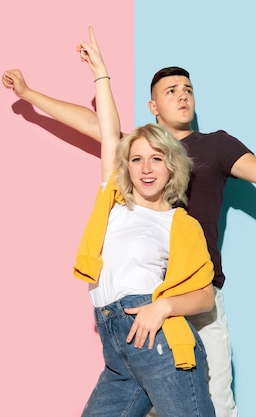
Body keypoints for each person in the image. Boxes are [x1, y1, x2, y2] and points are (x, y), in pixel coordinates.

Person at [2, 29, 256, 417]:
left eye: (188, 88)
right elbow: (97, 125)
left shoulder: (215, 145)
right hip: (143, 297)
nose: (183, 94)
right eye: (171, 90)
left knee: (213, 404)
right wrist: (30, 94)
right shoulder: (142, 151)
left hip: (197, 294)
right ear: (153, 106)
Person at [68, 27, 216, 417]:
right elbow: (108, 134)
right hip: (115, 346)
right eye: (136, 159)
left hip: (157, 339)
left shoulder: (180, 224)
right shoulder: (113, 202)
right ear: (126, 167)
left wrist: (162, 308)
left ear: (172, 166)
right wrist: (101, 72)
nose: (146, 168)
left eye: (157, 159)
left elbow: (204, 296)